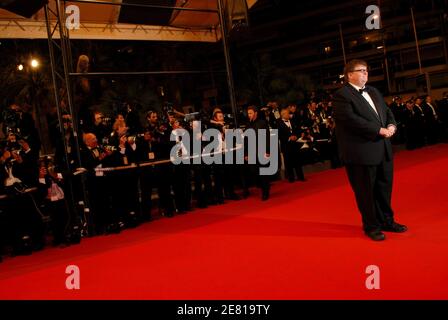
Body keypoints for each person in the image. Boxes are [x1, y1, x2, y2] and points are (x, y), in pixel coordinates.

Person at [333, 59, 407, 241]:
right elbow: (351, 121)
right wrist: (378, 130)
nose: (366, 73)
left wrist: (391, 125)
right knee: (366, 193)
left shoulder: (373, 91)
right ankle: (371, 227)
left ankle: (387, 221)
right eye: (361, 71)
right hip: (361, 153)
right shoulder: (341, 95)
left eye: (366, 71)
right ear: (350, 75)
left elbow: (387, 112)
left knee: (384, 190)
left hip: (383, 150)